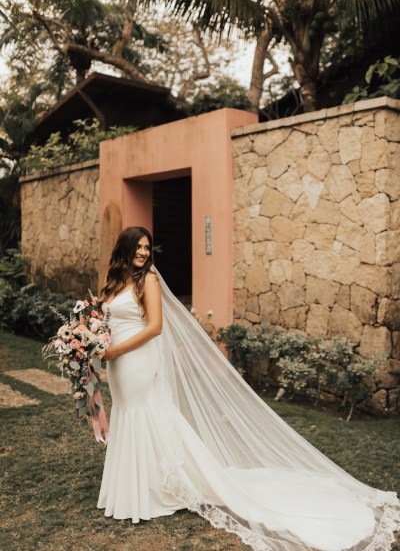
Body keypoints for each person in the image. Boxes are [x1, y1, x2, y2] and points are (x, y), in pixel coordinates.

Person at [97, 225, 400, 551]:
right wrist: (91, 342)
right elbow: (104, 319)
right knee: (128, 414)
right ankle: (130, 488)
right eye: (138, 247)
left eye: (147, 247)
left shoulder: (149, 281)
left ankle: (152, 492)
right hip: (117, 365)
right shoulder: (114, 282)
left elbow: (155, 327)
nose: (143, 253)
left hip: (138, 360)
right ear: (125, 248)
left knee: (146, 414)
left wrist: (116, 350)